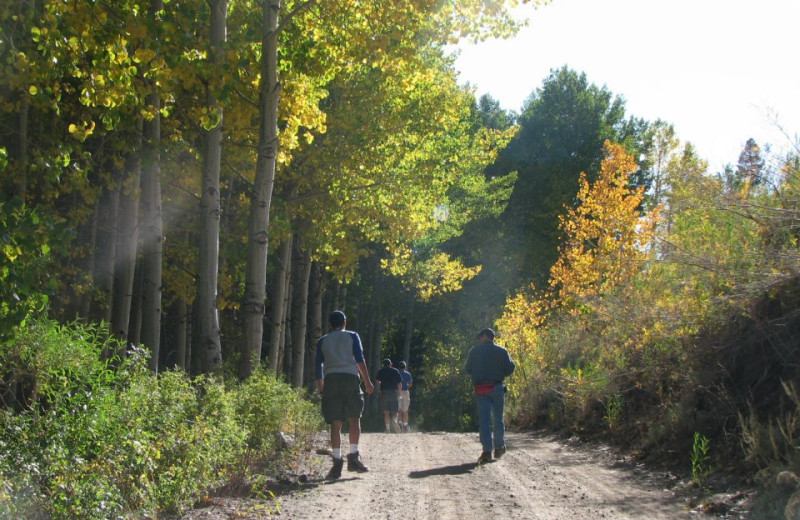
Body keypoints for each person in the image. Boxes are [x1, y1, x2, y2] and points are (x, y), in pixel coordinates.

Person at [314, 310, 375, 479]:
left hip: (331, 380)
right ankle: (354, 457)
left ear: (330, 325)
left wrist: (322, 387)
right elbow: (359, 359)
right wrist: (368, 382)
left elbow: (317, 368)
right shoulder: (352, 336)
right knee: (355, 418)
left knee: (335, 423)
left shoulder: (322, 341)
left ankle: (336, 462)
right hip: (350, 378)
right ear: (344, 323)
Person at [464, 328, 516, 463]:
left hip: (481, 389)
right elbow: (511, 368)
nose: (479, 339)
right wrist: (500, 373)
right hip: (497, 387)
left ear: (485, 336)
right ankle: (499, 447)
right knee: (498, 418)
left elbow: (467, 369)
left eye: (480, 336)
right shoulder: (502, 351)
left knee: (484, 421)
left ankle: (487, 451)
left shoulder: (474, 351)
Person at [375, 358, 402, 433]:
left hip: (384, 392)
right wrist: (399, 392)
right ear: (390, 364)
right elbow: (399, 383)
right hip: (393, 392)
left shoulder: (381, 371)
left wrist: (381, 384)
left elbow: (377, 381)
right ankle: (394, 421)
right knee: (395, 411)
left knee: (386, 412)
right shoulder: (395, 371)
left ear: (383, 364)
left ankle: (387, 429)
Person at [397, 361, 413, 432]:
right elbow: (410, 384)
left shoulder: (396, 373)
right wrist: (406, 386)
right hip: (405, 392)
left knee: (399, 409)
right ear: (405, 367)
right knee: (405, 410)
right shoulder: (408, 374)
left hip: (397, 392)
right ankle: (405, 425)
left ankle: (399, 424)